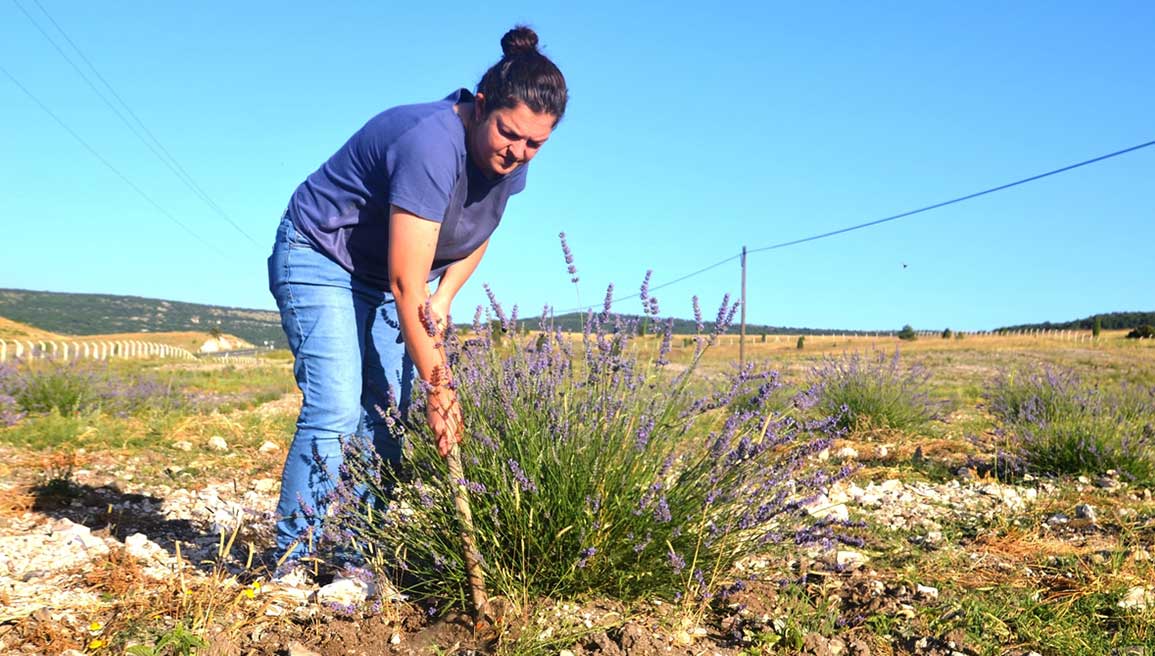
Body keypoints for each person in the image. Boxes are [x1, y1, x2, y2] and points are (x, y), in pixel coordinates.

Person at [266, 25, 567, 570]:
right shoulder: (429, 144)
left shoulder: (511, 164)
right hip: (319, 254)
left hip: (384, 274)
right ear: (481, 106)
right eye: (510, 134)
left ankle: (354, 559)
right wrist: (441, 384)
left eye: (535, 144)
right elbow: (408, 285)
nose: (519, 152)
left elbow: (479, 230)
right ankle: (290, 561)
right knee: (336, 404)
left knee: (384, 415)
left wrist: (447, 294)